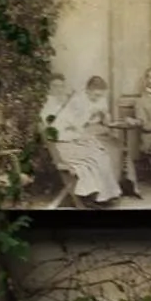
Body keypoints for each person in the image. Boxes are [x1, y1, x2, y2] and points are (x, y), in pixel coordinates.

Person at [42, 72, 123, 206]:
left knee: (100, 154)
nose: (59, 90)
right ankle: (91, 196)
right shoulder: (54, 105)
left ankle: (101, 195)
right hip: (62, 145)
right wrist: (78, 134)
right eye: (55, 87)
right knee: (95, 157)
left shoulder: (66, 103)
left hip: (71, 139)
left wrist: (79, 133)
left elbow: (75, 124)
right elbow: (59, 129)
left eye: (61, 87)